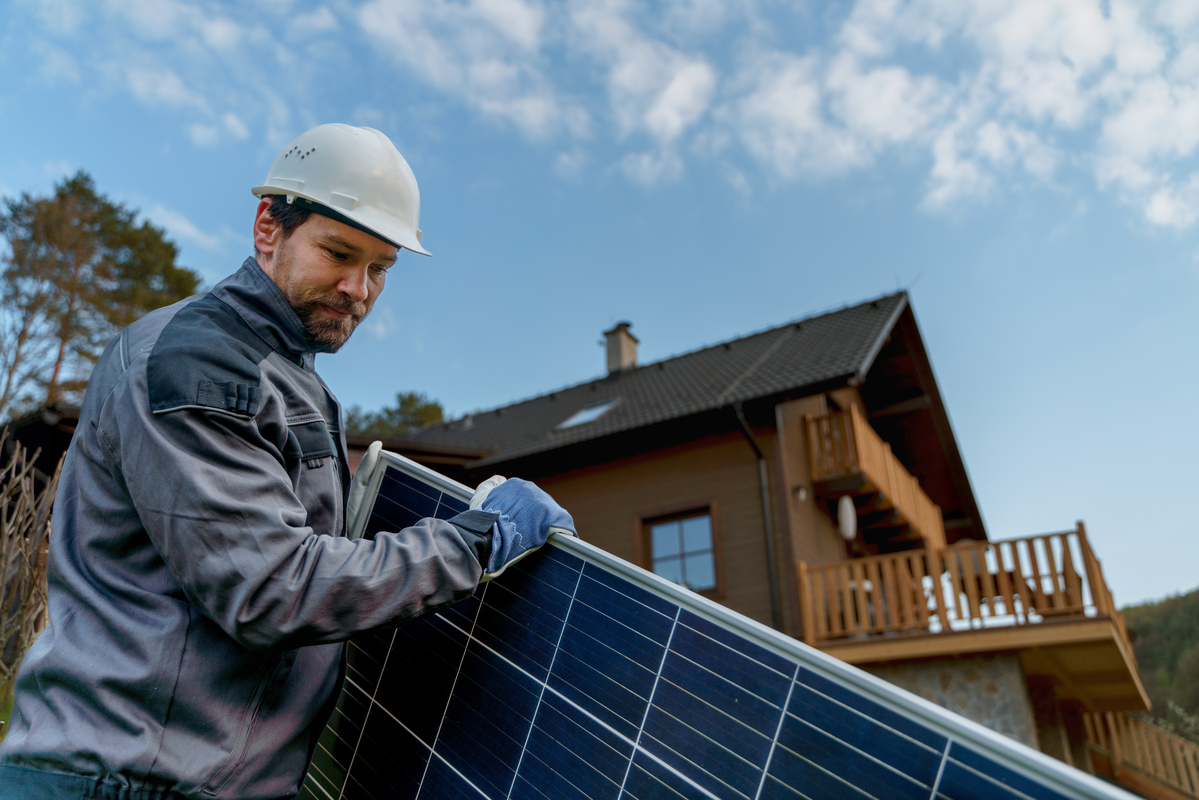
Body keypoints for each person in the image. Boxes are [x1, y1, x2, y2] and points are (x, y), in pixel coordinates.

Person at [0, 124, 575, 800]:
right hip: (128, 782)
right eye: (338, 253)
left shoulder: (281, 373)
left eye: (381, 268)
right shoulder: (200, 364)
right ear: (267, 227)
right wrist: (478, 541)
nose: (359, 289)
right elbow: (270, 586)